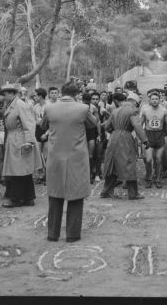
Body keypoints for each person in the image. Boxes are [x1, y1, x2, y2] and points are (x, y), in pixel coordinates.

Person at [42, 80, 97, 242]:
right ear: (77, 94)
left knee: (55, 195)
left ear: (61, 92)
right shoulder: (83, 108)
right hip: (76, 157)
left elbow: (42, 125)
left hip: (55, 157)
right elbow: (93, 124)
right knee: (76, 195)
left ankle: (53, 233)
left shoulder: (49, 108)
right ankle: (72, 234)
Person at [0, 84, 44, 207]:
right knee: (21, 170)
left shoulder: (20, 105)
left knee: (19, 170)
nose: (3, 96)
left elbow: (29, 124)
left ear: (12, 94)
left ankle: (17, 198)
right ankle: (28, 198)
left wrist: (28, 142)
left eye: (5, 94)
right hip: (14, 139)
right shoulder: (11, 105)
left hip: (20, 140)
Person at [100, 92, 149, 200]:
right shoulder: (132, 111)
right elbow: (137, 126)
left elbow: (107, 127)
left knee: (112, 165)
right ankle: (133, 193)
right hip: (126, 137)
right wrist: (145, 140)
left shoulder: (114, 111)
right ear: (134, 102)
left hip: (113, 138)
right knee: (129, 164)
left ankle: (106, 191)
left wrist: (115, 131)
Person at [140, 90, 167, 189]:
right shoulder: (145, 110)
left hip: (160, 135)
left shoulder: (164, 110)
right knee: (148, 159)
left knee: (158, 159)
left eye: (156, 99)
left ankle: (158, 179)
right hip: (149, 135)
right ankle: (149, 178)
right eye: (153, 99)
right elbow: (140, 124)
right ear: (150, 100)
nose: (154, 101)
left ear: (159, 100)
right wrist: (140, 137)